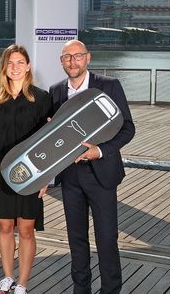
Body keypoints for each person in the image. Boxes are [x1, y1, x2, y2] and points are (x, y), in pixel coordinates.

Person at [49, 39, 135, 294]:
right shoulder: (55, 91)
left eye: (77, 56)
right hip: (70, 176)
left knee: (107, 239)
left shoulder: (109, 86)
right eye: (67, 57)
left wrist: (100, 151)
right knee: (76, 240)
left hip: (102, 174)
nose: (72, 61)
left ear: (88, 58)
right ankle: (81, 290)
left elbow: (128, 128)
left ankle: (110, 290)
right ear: (61, 61)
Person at [0, 45, 51, 294]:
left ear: (28, 66)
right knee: (5, 227)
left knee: (26, 229)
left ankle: (23, 284)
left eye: (20, 62)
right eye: (10, 63)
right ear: (4, 68)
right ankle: (7, 277)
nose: (15, 67)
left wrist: (46, 175)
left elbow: (50, 142)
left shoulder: (42, 99)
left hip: (31, 174)